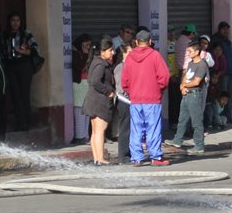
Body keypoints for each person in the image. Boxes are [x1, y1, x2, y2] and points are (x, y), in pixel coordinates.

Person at [120, 29, 170, 166]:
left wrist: (132, 92)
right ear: (150, 41)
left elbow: (124, 81)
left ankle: (137, 157)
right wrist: (159, 90)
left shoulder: (130, 57)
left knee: (136, 128)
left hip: (136, 99)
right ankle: (155, 156)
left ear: (136, 42)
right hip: (152, 98)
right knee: (153, 128)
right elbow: (164, 77)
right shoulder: (155, 56)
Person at [166, 39, 210, 156]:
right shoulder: (190, 63)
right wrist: (182, 86)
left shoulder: (202, 65)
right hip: (186, 94)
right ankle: (177, 140)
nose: (188, 54)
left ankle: (199, 145)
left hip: (195, 95)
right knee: (182, 119)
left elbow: (196, 81)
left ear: (197, 52)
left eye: (190, 51)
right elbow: (185, 77)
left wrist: (184, 85)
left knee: (196, 121)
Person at [2, 12, 43, 131]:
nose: (15, 23)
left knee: (24, 93)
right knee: (15, 94)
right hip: (11, 66)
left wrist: (21, 51)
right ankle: (20, 123)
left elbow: (35, 49)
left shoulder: (25, 34)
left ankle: (27, 122)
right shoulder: (5, 34)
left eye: (17, 20)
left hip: (24, 66)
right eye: (13, 20)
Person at [82, 36, 116, 165]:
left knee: (96, 131)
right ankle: (100, 158)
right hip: (99, 101)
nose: (113, 52)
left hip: (94, 100)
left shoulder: (97, 62)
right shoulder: (101, 64)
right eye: (110, 50)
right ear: (102, 51)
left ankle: (97, 159)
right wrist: (108, 91)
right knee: (100, 130)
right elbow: (95, 82)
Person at [211, 22, 232, 123]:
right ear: (219, 29)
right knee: (222, 95)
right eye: (223, 29)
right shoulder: (215, 40)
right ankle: (220, 116)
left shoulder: (227, 41)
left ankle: (227, 116)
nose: (226, 31)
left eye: (227, 29)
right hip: (223, 74)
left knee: (231, 96)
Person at [71, 33, 93, 143]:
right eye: (86, 44)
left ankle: (85, 135)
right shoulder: (74, 53)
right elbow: (80, 66)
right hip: (78, 84)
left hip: (86, 83)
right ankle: (79, 136)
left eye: (89, 45)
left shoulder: (86, 53)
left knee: (87, 111)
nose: (87, 47)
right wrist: (85, 54)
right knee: (79, 110)